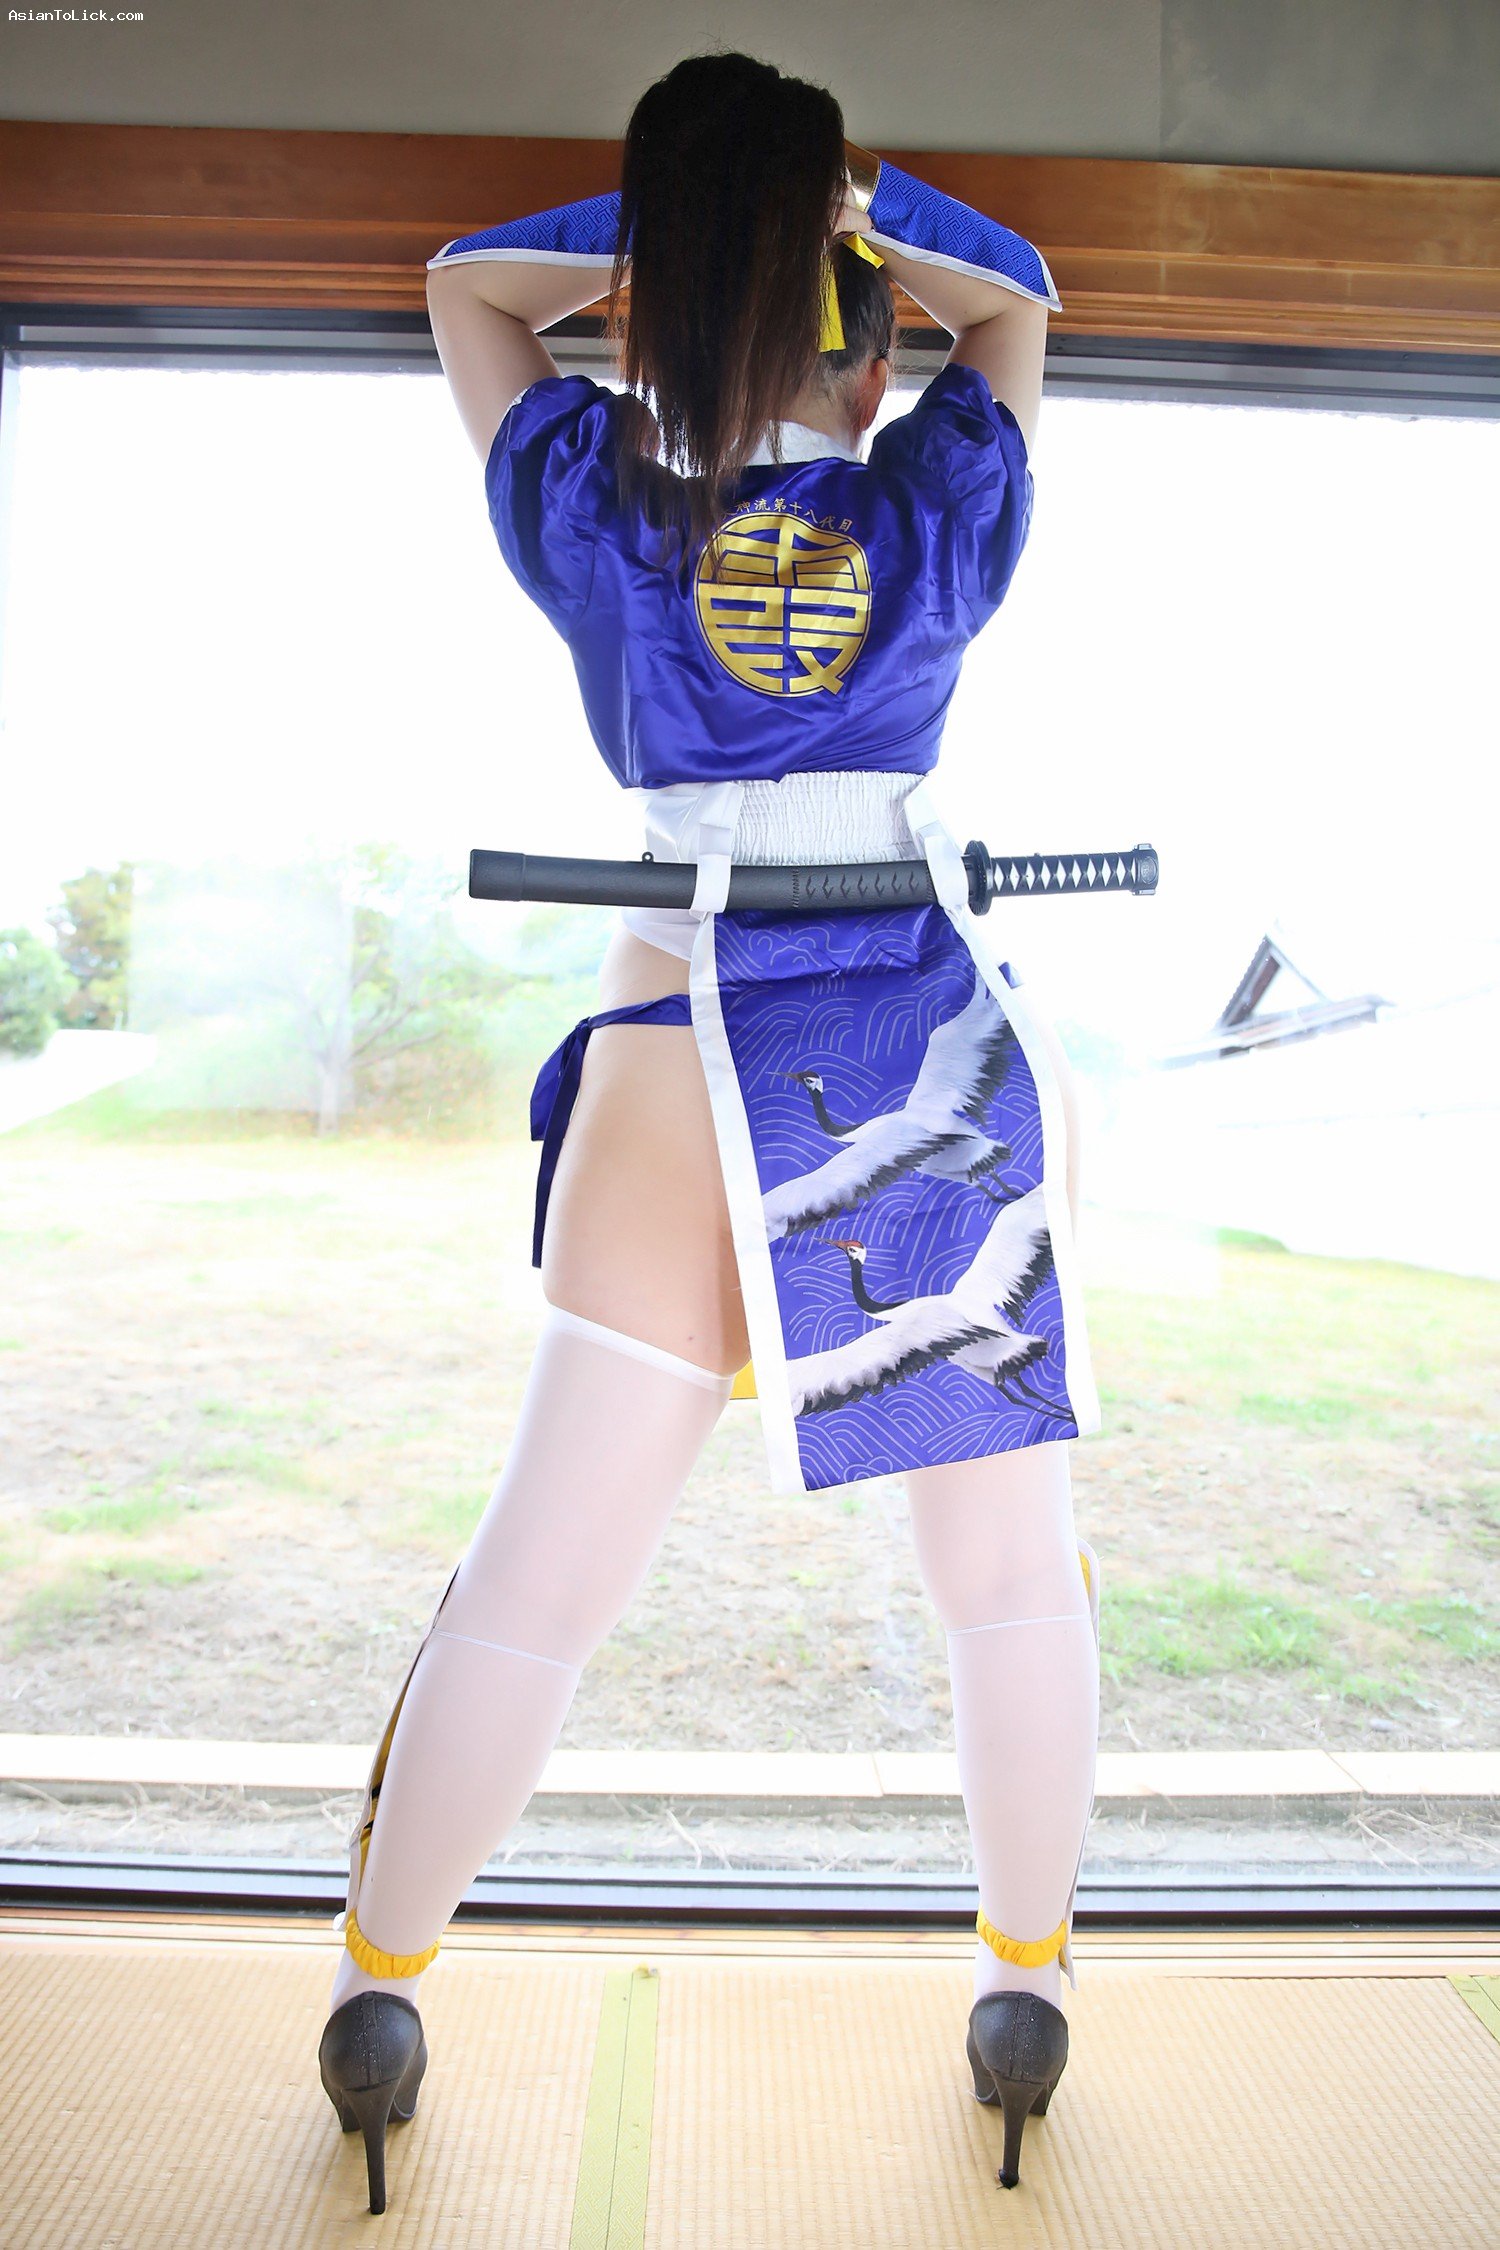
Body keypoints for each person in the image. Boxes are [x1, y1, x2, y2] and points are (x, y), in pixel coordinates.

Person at [316, 50, 1102, 2212]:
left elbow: (464, 286)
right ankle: (1024, 1983)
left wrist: (690, 254)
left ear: (659, 329)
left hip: (684, 1036)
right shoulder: (939, 510)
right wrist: (860, 221)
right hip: (909, 1069)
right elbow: (1018, 302)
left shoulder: (601, 513)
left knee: (536, 1579)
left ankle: (379, 1985)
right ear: (869, 351)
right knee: (1006, 1581)